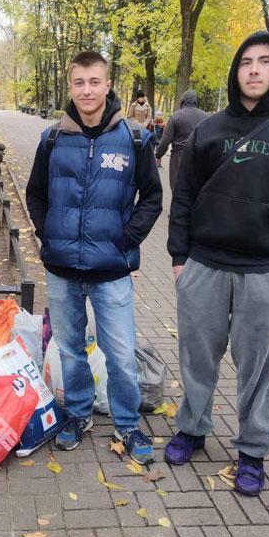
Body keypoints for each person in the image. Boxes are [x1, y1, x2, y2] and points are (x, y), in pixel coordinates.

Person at [165, 31, 269, 495]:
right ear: (236, 71)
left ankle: (252, 451)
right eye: (246, 62)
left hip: (264, 273)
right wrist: (179, 259)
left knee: (256, 368)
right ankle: (193, 428)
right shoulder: (208, 130)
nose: (254, 70)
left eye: (265, 61)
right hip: (203, 266)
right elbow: (184, 197)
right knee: (197, 358)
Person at [26, 51, 163, 465]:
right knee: (70, 350)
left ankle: (127, 424)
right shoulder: (52, 139)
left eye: (94, 82)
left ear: (108, 85)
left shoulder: (134, 139)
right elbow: (35, 194)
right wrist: (49, 233)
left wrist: (126, 239)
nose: (87, 91)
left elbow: (152, 197)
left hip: (112, 270)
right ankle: (78, 414)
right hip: (62, 269)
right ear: (71, 86)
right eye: (79, 82)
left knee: (120, 354)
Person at [156, 90, 207, 191]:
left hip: (179, 158)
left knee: (178, 189)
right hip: (199, 158)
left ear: (183, 100)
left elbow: (166, 140)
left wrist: (158, 154)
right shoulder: (205, 117)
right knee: (196, 190)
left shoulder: (176, 116)